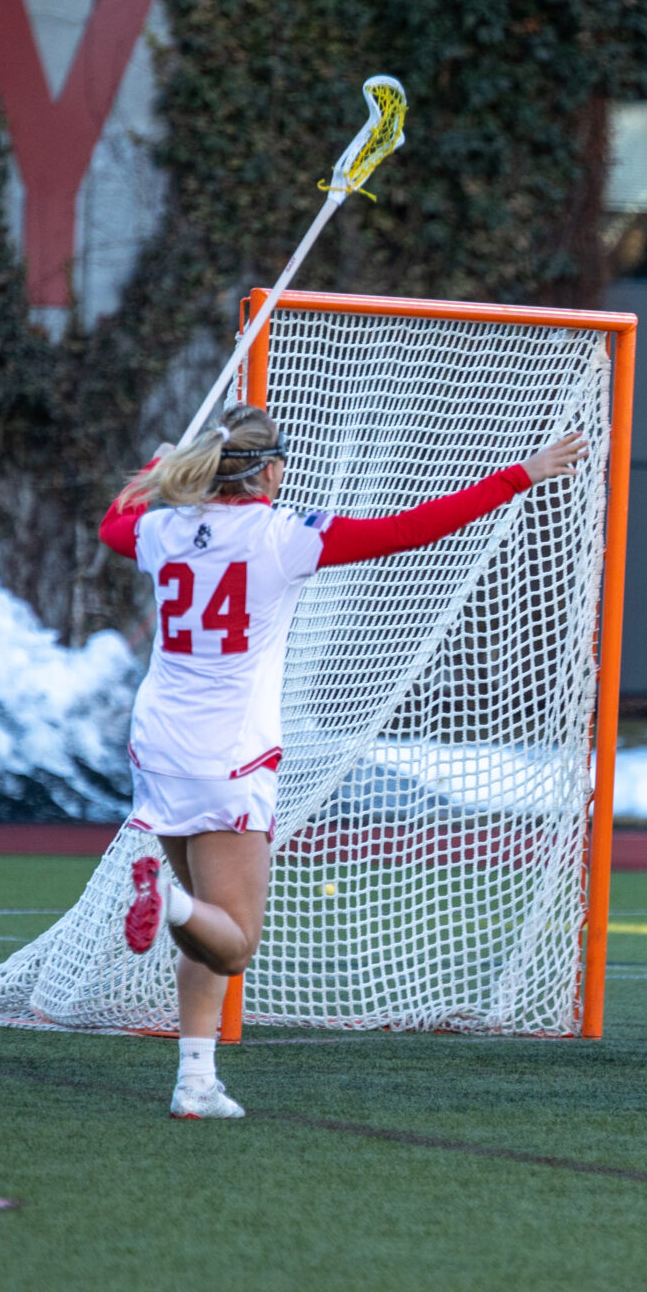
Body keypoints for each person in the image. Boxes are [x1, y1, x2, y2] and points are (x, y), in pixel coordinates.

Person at [102, 402, 589, 1118]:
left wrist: (158, 463)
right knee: (233, 944)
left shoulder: (164, 527)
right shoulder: (283, 535)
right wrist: (522, 474)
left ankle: (195, 1082)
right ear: (270, 471)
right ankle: (165, 902)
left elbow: (114, 522)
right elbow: (409, 530)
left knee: (208, 922)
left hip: (158, 748)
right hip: (228, 755)